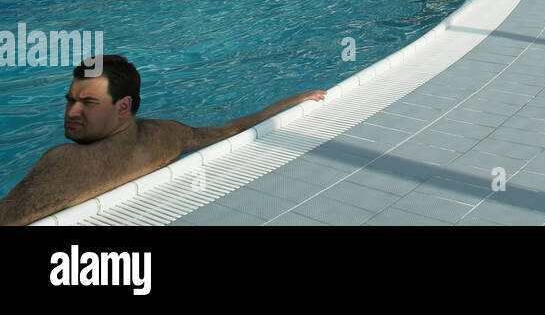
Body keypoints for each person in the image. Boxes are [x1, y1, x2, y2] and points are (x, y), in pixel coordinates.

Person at [0, 55, 325, 226]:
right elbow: (230, 130)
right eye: (70, 100)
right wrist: (289, 102)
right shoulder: (168, 136)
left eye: (88, 103)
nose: (72, 111)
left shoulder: (64, 162)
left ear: (123, 106)